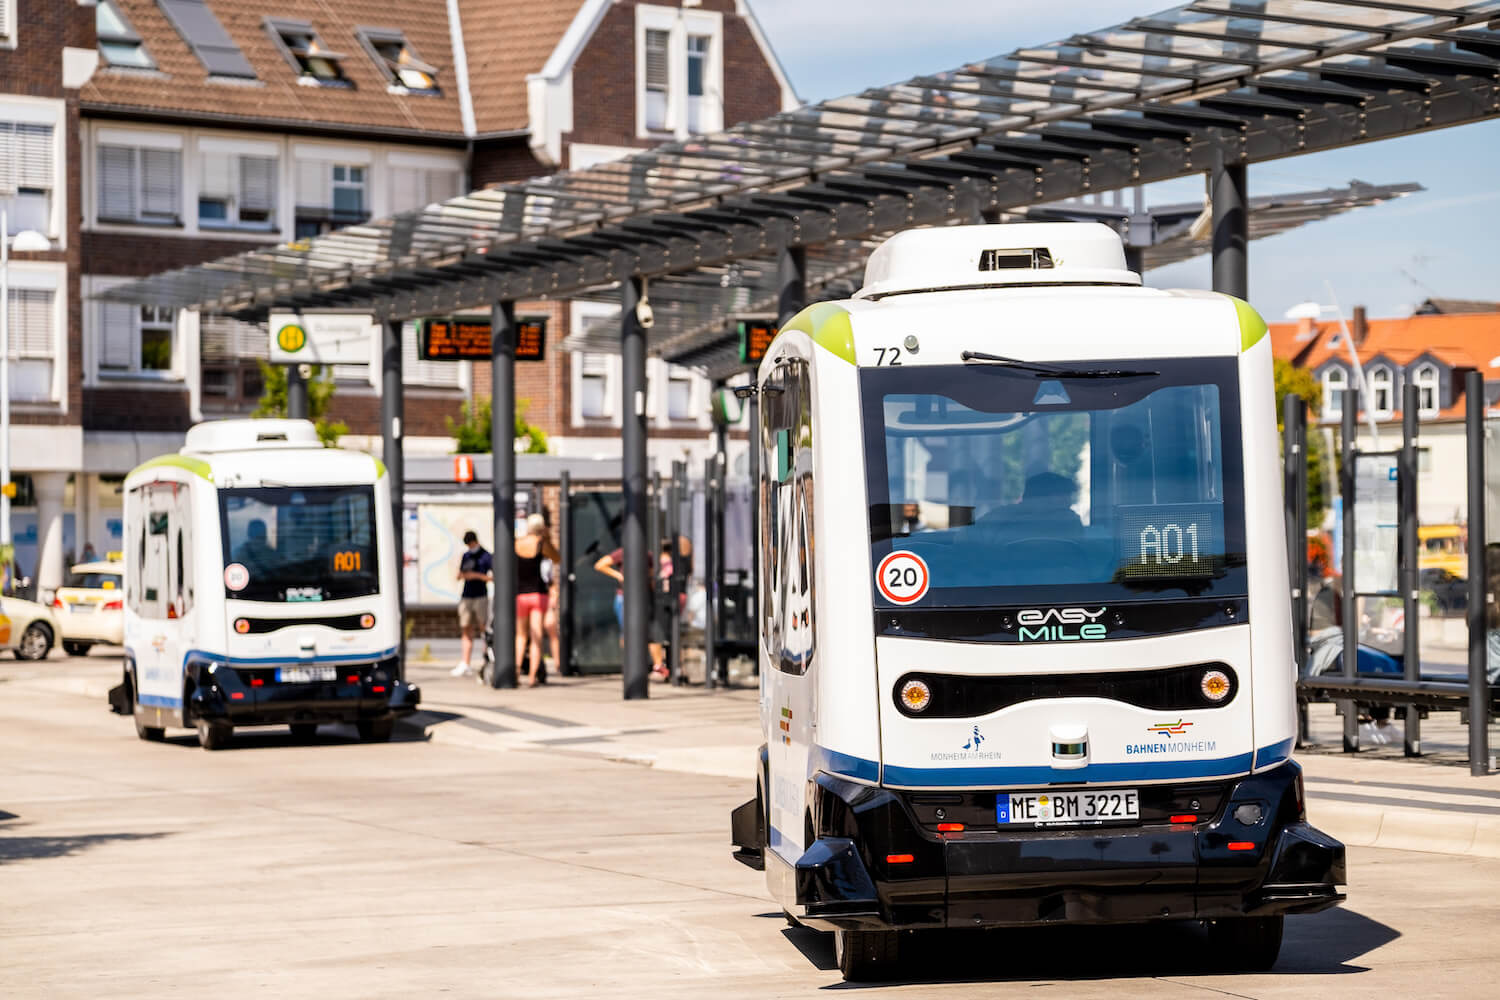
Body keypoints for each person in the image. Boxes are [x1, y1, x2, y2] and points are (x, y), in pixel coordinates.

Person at [515, 514, 560, 687]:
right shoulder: (541, 544)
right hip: (538, 594)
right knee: (536, 637)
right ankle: (533, 676)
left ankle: (517, 670)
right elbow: (557, 558)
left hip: (520, 594)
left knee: (520, 636)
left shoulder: (517, 543)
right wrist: (546, 538)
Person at [452, 530, 492, 677]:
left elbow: (493, 577)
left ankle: (487, 659)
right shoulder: (466, 555)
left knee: (483, 628)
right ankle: (465, 662)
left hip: (480, 595)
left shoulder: (486, 556)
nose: (469, 546)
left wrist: (476, 576)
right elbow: (459, 574)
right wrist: (462, 575)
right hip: (466, 595)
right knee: (466, 628)